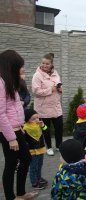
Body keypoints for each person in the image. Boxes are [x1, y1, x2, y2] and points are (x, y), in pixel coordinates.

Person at [0, 50, 38, 200]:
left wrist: (20, 123)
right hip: (8, 132)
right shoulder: (1, 83)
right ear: (11, 66)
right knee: (11, 163)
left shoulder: (9, 82)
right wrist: (11, 138)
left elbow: (13, 106)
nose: (22, 69)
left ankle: (21, 193)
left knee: (26, 158)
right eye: (20, 66)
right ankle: (11, 197)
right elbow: (1, 113)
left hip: (16, 129)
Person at [32, 53, 63, 156]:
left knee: (59, 127)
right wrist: (50, 89)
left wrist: (59, 88)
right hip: (43, 107)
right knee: (46, 128)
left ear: (51, 64)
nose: (44, 65)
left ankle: (59, 145)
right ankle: (49, 147)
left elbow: (58, 84)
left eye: (47, 64)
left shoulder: (55, 73)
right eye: (43, 63)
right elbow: (36, 91)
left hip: (56, 106)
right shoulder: (37, 75)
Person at [23, 109, 48, 190]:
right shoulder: (25, 128)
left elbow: (46, 130)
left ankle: (39, 178)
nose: (36, 120)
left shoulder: (39, 125)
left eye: (37, 118)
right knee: (33, 167)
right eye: (33, 119)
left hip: (41, 149)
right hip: (32, 151)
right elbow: (24, 140)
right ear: (27, 119)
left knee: (39, 165)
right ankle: (34, 182)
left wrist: (43, 125)